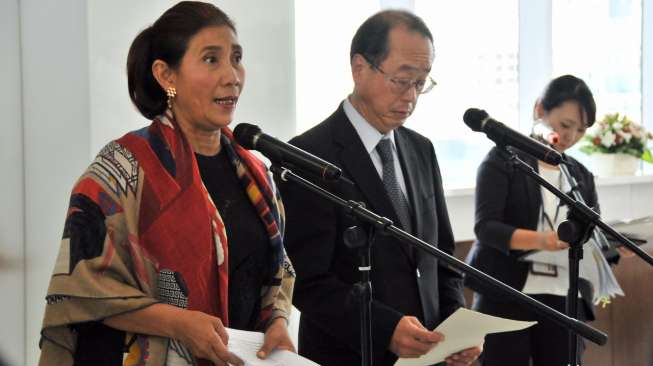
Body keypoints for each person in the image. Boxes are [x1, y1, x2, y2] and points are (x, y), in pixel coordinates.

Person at [38, 2, 295, 365]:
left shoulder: (256, 174)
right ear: (166, 75)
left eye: (236, 58)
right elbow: (80, 289)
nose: (232, 75)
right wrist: (178, 324)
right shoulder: (121, 169)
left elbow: (276, 273)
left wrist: (278, 322)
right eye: (211, 59)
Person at [279, 10, 482, 366]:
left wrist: (455, 326)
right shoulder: (309, 155)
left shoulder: (421, 149)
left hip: (431, 356)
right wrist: (385, 328)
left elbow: (442, 258)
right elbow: (307, 281)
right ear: (360, 68)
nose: (411, 96)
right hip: (351, 354)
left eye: (421, 83)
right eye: (402, 80)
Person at [465, 74, 609, 365]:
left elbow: (591, 232)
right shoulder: (502, 160)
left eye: (581, 130)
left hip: (565, 297)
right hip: (507, 292)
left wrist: (616, 247)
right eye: (566, 125)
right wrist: (543, 240)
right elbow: (486, 228)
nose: (571, 137)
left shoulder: (579, 174)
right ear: (539, 110)